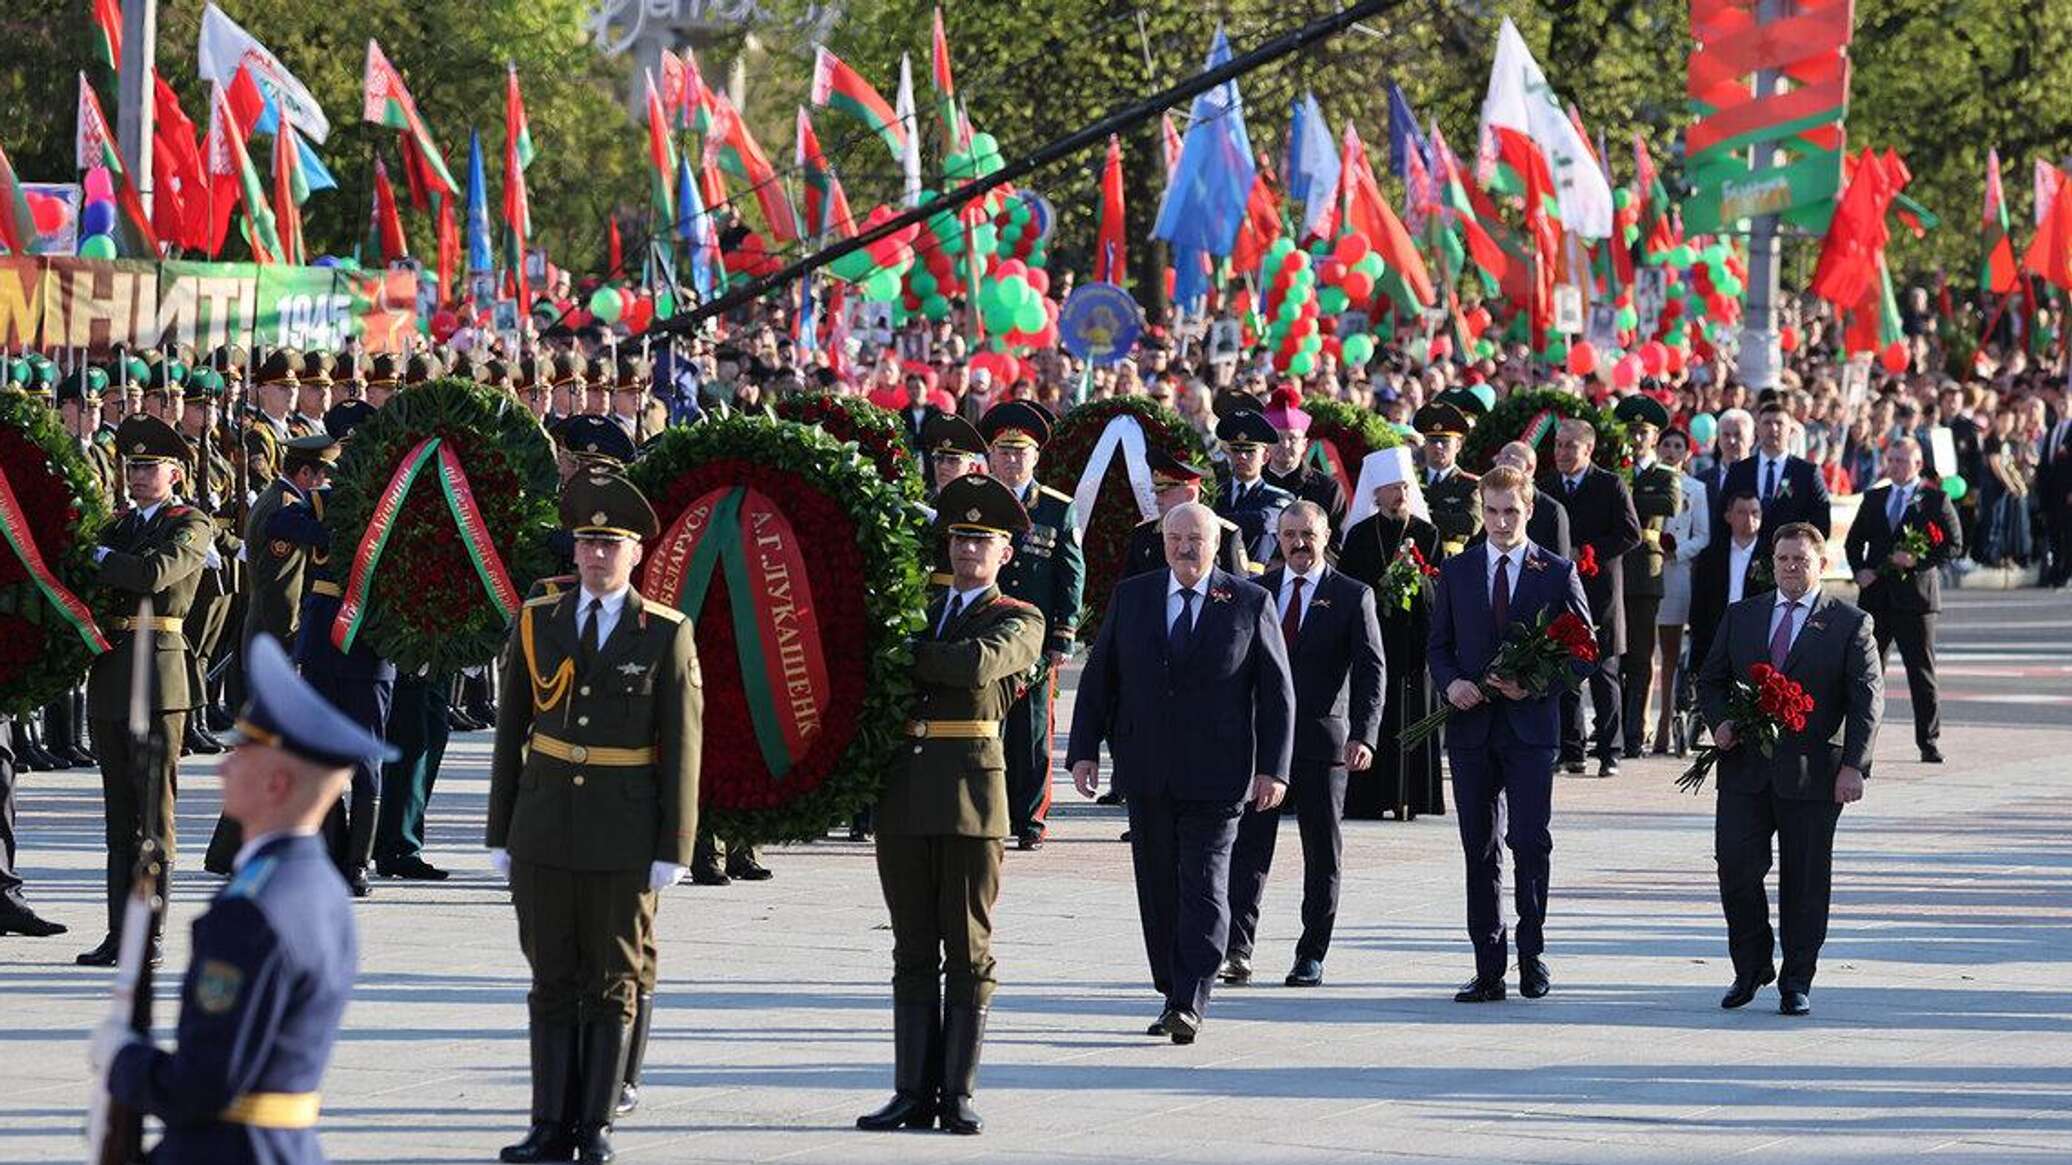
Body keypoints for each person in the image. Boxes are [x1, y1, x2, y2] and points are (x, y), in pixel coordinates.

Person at [92, 634, 394, 1165]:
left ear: (277, 781)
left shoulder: (250, 913)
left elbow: (204, 1086)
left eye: (240, 753)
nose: (224, 767)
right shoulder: (319, 886)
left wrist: (124, 1062)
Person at [487, 468, 702, 1165]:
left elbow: (683, 745)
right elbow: (510, 729)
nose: (597, 556)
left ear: (637, 552)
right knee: (552, 977)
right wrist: (500, 828)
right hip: (545, 823)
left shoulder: (666, 632)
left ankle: (595, 1122)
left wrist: (676, 842)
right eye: (587, 542)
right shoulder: (537, 619)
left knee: (611, 980)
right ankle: (549, 1122)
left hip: (622, 827)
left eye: (612, 544)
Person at [857, 474, 1045, 1137]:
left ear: (1005, 552)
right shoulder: (915, 604)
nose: (969, 550)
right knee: (912, 946)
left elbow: (974, 665)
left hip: (970, 794)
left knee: (967, 947)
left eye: (983, 540)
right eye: (961, 537)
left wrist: (902, 653)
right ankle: (911, 1088)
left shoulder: (1019, 616)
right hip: (904, 793)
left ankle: (957, 1091)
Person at [1066, 502, 1295, 1044]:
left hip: (1219, 775)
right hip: (1147, 770)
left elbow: (1277, 694)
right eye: (1176, 538)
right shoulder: (1135, 596)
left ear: (1216, 544)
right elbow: (1101, 678)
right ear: (1163, 543)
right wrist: (1082, 751)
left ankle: (1191, 995)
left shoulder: (1248, 601)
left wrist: (1274, 770)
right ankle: (1173, 985)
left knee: (1207, 887)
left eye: (1197, 538)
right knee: (1160, 886)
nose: (1186, 548)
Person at [1698, 522, 1882, 1017]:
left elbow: (1868, 701)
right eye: (1783, 559)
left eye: (1801, 560)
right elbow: (1711, 680)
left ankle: (1796, 977)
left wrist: (1854, 766)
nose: (1791, 568)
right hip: (1745, 770)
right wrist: (1719, 722)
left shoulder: (1849, 622)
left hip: (1813, 775)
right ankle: (1752, 964)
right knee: (1735, 866)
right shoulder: (1743, 616)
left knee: (1804, 880)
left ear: (1822, 564)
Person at [1426, 466, 1591, 1003]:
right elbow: (1438, 646)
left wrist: (1535, 683)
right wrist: (1451, 685)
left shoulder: (1556, 570)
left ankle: (1532, 955)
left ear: (1529, 511)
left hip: (1528, 731)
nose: (1500, 522)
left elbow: (1584, 651)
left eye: (1511, 512)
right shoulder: (1458, 570)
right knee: (1480, 848)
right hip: (1472, 730)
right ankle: (1488, 965)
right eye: (1492, 511)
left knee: (1529, 842)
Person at [1221, 502, 1383, 989]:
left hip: (1322, 741)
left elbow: (1372, 670)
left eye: (1307, 534)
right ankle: (1237, 948)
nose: (1298, 544)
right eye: (1288, 534)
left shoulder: (1352, 595)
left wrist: (1364, 733)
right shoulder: (1258, 591)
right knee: (1249, 849)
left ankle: (1311, 952)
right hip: (1263, 744)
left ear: (1325, 534)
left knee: (1321, 850)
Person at [77, 416, 216, 968]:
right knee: (119, 819)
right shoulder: (118, 526)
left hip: (160, 680)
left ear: (175, 473)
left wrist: (102, 560)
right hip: (113, 675)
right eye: (132, 467)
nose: (136, 476)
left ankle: (149, 935)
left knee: (154, 818)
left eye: (148, 468)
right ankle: (119, 932)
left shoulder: (191, 524)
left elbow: (153, 575)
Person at [979, 400, 1085, 850]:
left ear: (1036, 457)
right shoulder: (979, 501)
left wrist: (1065, 634)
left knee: (1034, 731)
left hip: (1037, 640)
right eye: (1004, 451)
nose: (1012, 460)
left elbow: (1071, 573)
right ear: (991, 456)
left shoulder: (1057, 509)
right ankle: (990, 814)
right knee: (986, 730)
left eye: (1021, 452)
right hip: (985, 635)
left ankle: (1032, 821)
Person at [1337, 446, 1444, 820]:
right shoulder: (1360, 536)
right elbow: (1349, 589)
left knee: (1413, 712)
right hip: (1373, 639)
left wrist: (1413, 577)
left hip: (1413, 641)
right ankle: (1369, 798)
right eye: (1392, 488)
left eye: (1404, 486)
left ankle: (1412, 796)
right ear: (1375, 493)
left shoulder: (1426, 533)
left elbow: (1438, 586)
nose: (1400, 495)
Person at [1845, 437, 1962, 763]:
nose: (1895, 466)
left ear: (1917, 464)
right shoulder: (1874, 497)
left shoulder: (1935, 500)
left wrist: (1918, 561)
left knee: (1921, 673)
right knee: (1868, 673)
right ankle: (1861, 745)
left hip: (1916, 600)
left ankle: (1929, 741)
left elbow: (1954, 545)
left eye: (1902, 460)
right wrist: (1860, 571)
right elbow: (1853, 543)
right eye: (1892, 459)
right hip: (1877, 598)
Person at [1542, 420, 1640, 778]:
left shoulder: (1609, 484)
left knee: (1604, 672)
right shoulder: (1548, 486)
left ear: (1588, 449)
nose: (1562, 453)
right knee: (1564, 672)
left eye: (1570, 446)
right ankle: (1570, 749)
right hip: (1563, 593)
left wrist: (1590, 552)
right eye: (1558, 445)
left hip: (1600, 592)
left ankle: (1610, 750)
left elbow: (1631, 534)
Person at [1614, 397, 1682, 758]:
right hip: (1615, 571)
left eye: (1643, 432)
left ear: (1654, 437)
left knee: (1640, 655)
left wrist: (1626, 496)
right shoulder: (1617, 472)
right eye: (1631, 431)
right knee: (1614, 653)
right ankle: (1613, 727)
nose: (1636, 438)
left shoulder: (1664, 476)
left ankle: (1633, 730)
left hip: (1645, 571)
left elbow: (1667, 504)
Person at [1650, 426, 1712, 755]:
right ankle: (1640, 721)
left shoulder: (1696, 489)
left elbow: (1703, 535)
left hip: (1676, 573)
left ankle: (1666, 724)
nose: (1671, 450)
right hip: (1646, 574)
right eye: (1666, 444)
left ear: (1687, 453)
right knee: (1644, 652)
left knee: (1671, 653)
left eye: (1677, 446)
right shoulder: (1644, 479)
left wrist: (1678, 551)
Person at [1720, 400, 1832, 551]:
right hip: (1744, 557)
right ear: (1757, 429)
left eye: (1779, 423)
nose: (1773, 428)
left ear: (1791, 431)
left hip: (1789, 561)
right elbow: (1723, 515)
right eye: (1767, 423)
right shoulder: (1739, 471)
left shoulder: (1807, 473)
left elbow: (1821, 524)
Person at [1123, 448, 1251, 579]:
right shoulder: (1144, 534)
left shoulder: (1226, 533)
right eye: (1156, 493)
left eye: (1164, 492)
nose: (1157, 500)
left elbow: (1240, 591)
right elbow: (1127, 590)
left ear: (1190, 494)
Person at [1260, 387, 1350, 545]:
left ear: (1304, 444)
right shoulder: (1255, 484)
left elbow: (1338, 544)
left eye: (1292, 439)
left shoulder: (1328, 489)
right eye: (1278, 437)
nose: (1285, 445)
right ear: (1266, 442)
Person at [1214, 409, 1295, 567]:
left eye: (1250, 451)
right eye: (1236, 450)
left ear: (1265, 457)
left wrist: (1213, 520)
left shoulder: (1281, 497)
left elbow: (1263, 522)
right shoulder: (1216, 493)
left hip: (1257, 579)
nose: (1242, 456)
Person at [1415, 403, 1481, 557]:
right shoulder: (1412, 480)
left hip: (1451, 559)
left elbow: (1470, 524)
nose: (1438, 446)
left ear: (1457, 445)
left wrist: (1424, 515)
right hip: (1414, 556)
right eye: (1432, 440)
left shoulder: (1469, 485)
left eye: (1445, 441)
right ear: (1425, 444)